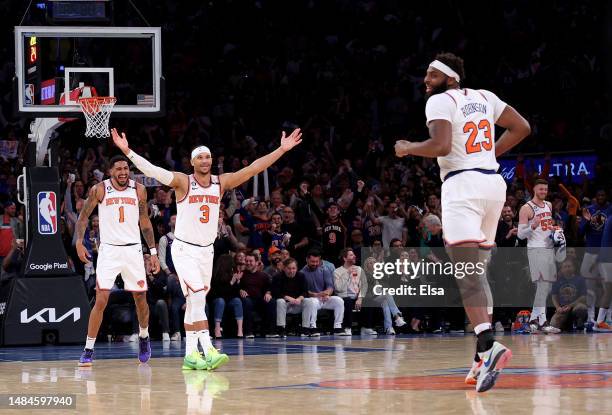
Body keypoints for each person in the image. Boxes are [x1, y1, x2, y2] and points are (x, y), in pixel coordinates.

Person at [394, 52, 531, 392]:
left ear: (450, 78)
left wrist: (409, 147)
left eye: (432, 74)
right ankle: (478, 360)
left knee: (466, 276)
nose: (426, 80)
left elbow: (440, 145)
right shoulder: (486, 97)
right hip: (493, 186)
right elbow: (522, 128)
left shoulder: (441, 101)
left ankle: (489, 345)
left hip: (462, 188)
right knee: (477, 275)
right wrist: (490, 154)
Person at [112, 127, 302, 370]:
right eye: (200, 157)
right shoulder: (183, 181)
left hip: (206, 251)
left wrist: (281, 149)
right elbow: (154, 171)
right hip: (184, 250)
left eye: (208, 156)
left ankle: (191, 355)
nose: (205, 160)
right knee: (199, 297)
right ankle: (208, 348)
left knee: (194, 302)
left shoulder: (220, 183)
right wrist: (127, 151)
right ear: (192, 162)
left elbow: (254, 168)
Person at [75, 155, 160, 367]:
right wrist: (79, 242)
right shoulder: (100, 189)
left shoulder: (139, 189)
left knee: (140, 299)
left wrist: (153, 252)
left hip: (132, 250)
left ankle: (143, 336)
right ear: (110, 171)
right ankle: (88, 348)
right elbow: (84, 216)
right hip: (109, 251)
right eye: (118, 169)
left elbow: (145, 221)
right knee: (101, 299)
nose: (123, 172)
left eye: (125, 168)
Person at [517, 179, 562, 334]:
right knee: (543, 284)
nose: (543, 192)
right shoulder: (526, 208)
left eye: (546, 189)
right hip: (535, 249)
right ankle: (542, 322)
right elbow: (521, 234)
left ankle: (533, 320)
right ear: (534, 189)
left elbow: (547, 227)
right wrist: (533, 226)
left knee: (546, 286)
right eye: (541, 189)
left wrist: (555, 231)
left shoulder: (549, 205)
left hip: (548, 248)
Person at [272, 258, 313, 337]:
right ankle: (281, 328)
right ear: (284, 268)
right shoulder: (277, 277)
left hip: (297, 303)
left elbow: (305, 292)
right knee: (280, 301)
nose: (291, 271)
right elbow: (275, 293)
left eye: (293, 268)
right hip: (285, 305)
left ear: (297, 268)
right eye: (289, 268)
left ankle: (305, 328)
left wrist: (299, 298)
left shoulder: (301, 276)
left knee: (308, 301)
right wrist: (288, 298)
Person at [550, 259, 587, 331]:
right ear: (561, 269)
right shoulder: (557, 280)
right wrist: (558, 308)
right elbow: (554, 297)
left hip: (575, 306)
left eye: (569, 266)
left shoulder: (580, 279)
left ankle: (579, 324)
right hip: (563, 308)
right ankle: (565, 325)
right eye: (565, 267)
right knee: (553, 325)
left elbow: (583, 297)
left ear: (574, 268)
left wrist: (570, 306)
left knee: (581, 308)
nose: (567, 268)